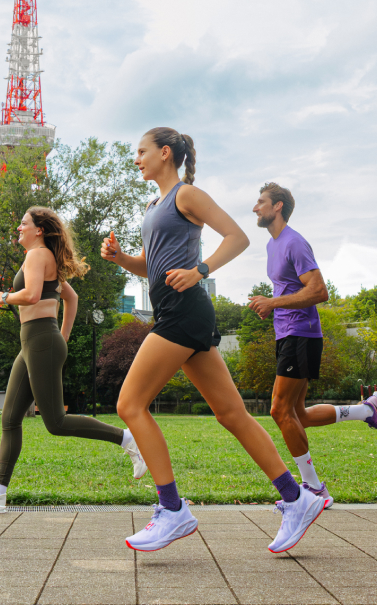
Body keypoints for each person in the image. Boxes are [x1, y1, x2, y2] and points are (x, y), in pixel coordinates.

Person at [101, 127, 327, 555]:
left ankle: (172, 510)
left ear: (165, 153)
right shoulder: (154, 204)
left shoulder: (186, 195)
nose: (137, 160)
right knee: (231, 413)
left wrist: (200, 272)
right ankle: (298, 499)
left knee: (129, 405)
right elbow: (151, 268)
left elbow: (237, 237)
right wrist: (120, 258)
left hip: (185, 311)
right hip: (175, 310)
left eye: (141, 152)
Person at [0, 205, 147, 511]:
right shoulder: (43, 259)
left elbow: (32, 295)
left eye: (23, 223)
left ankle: (128, 439)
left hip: (41, 340)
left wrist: (2, 296)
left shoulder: (38, 255)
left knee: (55, 421)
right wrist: (64, 336)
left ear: (39, 230)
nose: (18, 228)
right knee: (9, 418)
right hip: (36, 341)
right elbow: (70, 298)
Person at [249, 182, 377, 507]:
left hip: (301, 334)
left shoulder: (294, 242)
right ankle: (366, 410)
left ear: (277, 206)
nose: (255, 208)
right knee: (297, 415)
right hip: (287, 334)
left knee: (279, 410)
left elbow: (319, 291)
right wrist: (270, 307)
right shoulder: (272, 246)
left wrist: (273, 303)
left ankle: (313, 488)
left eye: (260, 202)